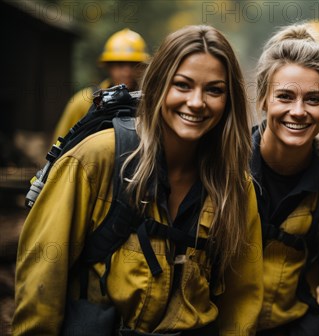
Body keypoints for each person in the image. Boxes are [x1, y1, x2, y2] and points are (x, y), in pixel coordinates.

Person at [13, 25, 263, 335]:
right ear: (158, 85)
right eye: (182, 85)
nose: (197, 102)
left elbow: (243, 297)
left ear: (229, 101)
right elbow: (43, 281)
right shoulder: (97, 159)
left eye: (214, 90)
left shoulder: (234, 184)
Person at [251, 23, 319, 335]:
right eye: (285, 96)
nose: (298, 111)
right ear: (263, 99)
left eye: (313, 99)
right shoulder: (225, 165)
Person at [53, 28, 149, 140]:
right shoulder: (83, 102)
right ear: (108, 66)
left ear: (143, 67)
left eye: (134, 64)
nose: (127, 72)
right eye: (120, 64)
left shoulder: (149, 103)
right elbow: (59, 147)